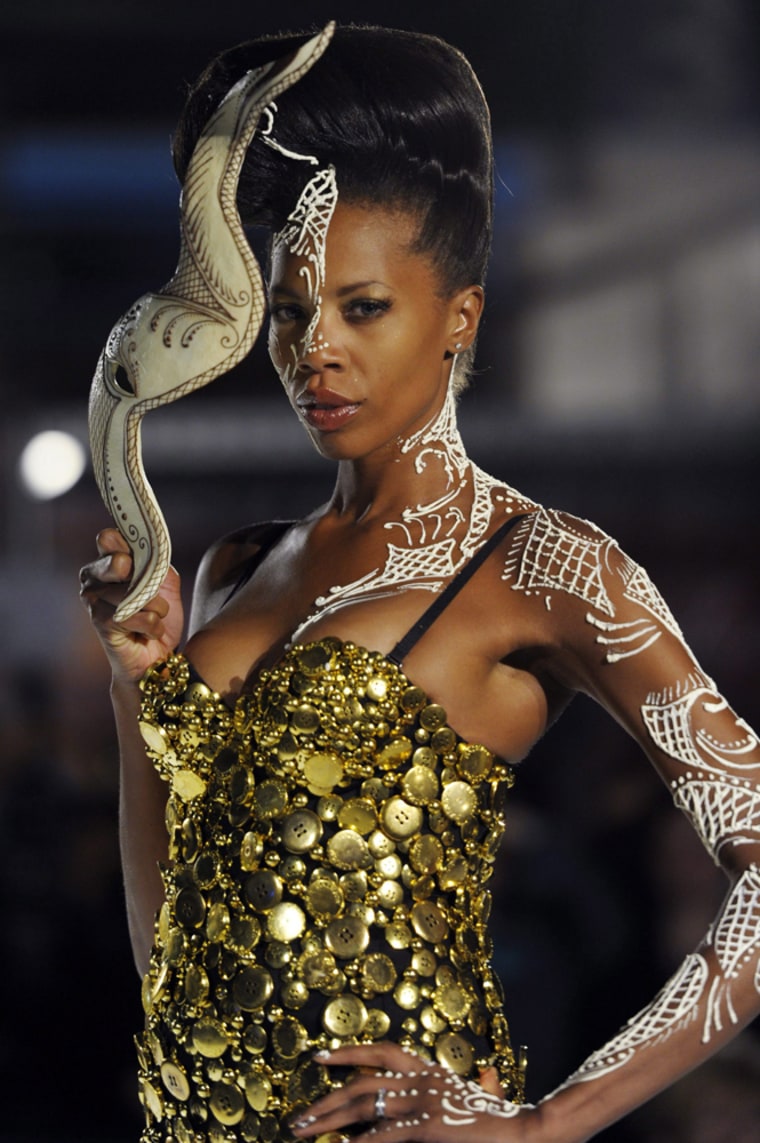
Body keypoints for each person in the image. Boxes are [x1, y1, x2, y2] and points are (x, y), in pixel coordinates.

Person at [80, 22, 760, 1143]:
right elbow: (170, 963)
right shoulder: (236, 565)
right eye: (290, 317)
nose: (314, 356)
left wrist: (548, 1124)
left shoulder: (542, 566)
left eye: (361, 307)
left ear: (460, 319)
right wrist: (131, 695)